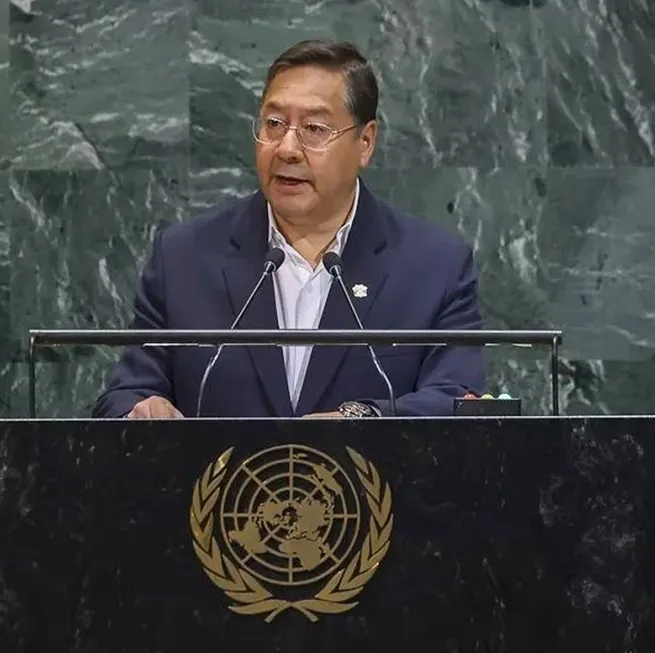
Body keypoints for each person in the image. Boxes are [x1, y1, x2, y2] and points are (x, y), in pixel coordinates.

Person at [92, 39, 485, 419]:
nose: (286, 148)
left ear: (365, 142)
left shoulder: (435, 266)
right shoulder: (184, 257)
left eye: (314, 128)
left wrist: (361, 417)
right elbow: (127, 392)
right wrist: (139, 410)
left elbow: (458, 399)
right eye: (274, 123)